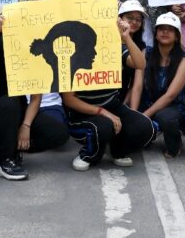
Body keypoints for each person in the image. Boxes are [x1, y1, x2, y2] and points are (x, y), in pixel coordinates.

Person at [0, 15, 71, 180]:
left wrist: (26, 126)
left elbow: (35, 98)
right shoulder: (2, 43)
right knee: (10, 102)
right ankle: (5, 160)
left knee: (59, 133)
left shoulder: (35, 52)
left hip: (18, 111)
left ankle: (13, 147)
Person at [63, 13, 155, 171]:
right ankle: (89, 155)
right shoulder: (72, 55)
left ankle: (117, 151)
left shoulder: (114, 48)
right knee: (104, 127)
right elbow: (69, 100)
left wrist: (126, 38)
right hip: (83, 114)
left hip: (113, 106)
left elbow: (140, 64)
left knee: (145, 127)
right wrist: (102, 112)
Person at [130, 13, 185, 158]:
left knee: (166, 118)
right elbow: (137, 86)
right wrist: (132, 115)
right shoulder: (145, 53)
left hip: (172, 107)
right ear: (155, 33)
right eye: (161, 28)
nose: (165, 32)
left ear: (177, 36)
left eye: (170, 29)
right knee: (129, 125)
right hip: (147, 103)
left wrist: (143, 117)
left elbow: (170, 95)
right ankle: (149, 133)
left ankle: (175, 145)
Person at [117, 0, 149, 102]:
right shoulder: (110, 41)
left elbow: (136, 83)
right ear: (119, 18)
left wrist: (125, 106)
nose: (134, 22)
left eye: (138, 19)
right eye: (130, 18)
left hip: (122, 100)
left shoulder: (141, 46)